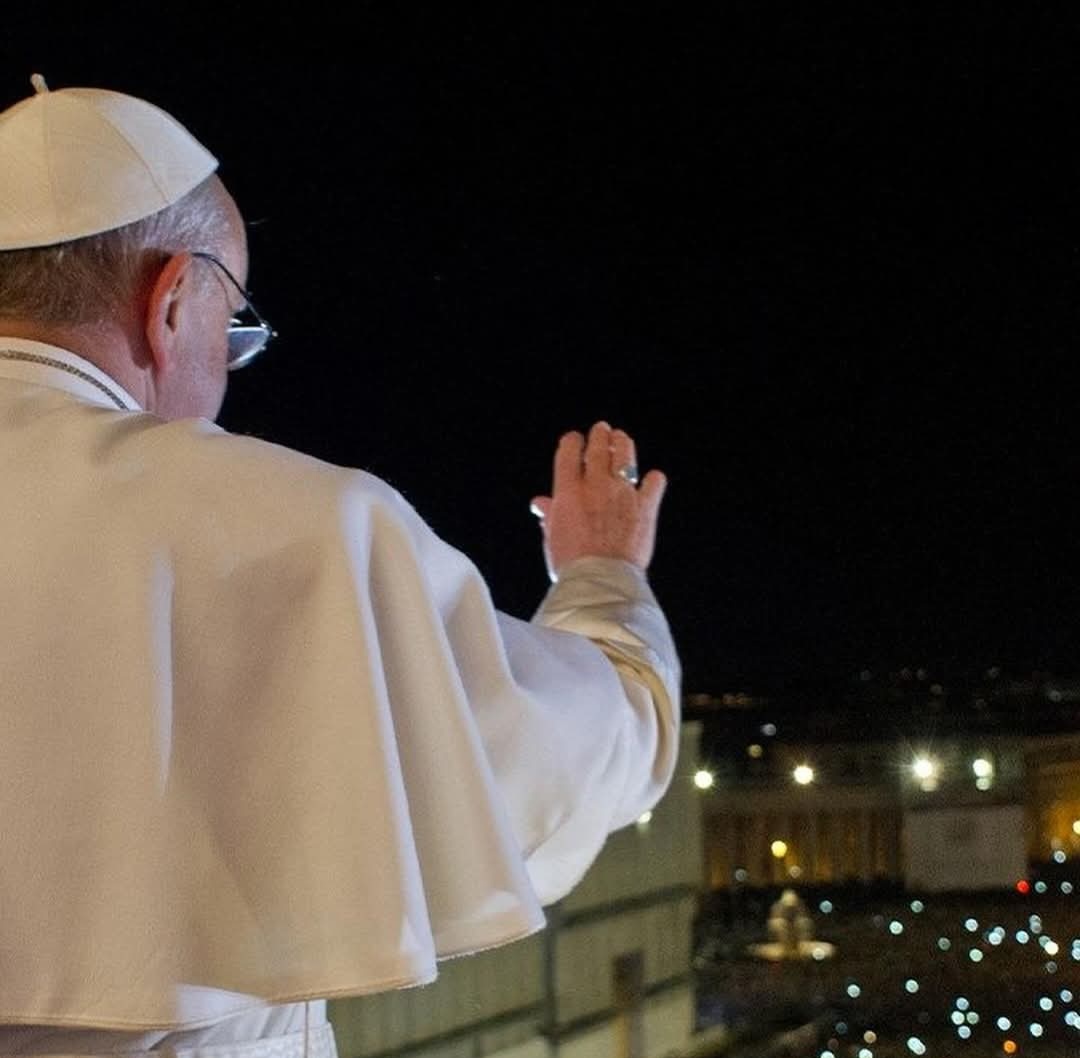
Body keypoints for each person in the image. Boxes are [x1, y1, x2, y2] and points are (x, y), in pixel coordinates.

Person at [0, 76, 680, 1058]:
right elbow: (568, 761)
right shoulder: (300, 528)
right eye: (232, 328)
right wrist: (603, 573)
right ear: (171, 301)